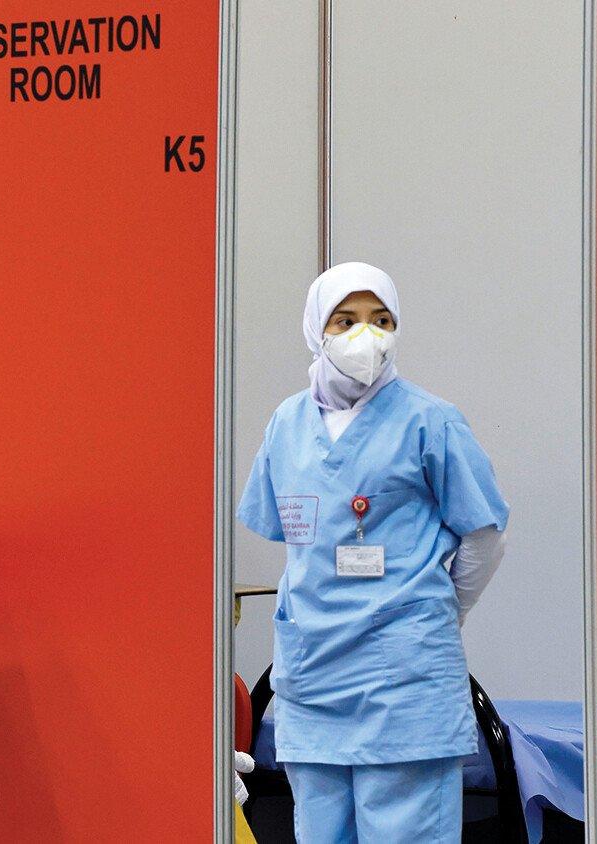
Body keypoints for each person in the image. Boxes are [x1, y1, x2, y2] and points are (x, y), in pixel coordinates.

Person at [237, 263, 509, 843]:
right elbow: (291, 539)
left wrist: (436, 612)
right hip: (314, 675)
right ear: (318, 329)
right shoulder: (287, 424)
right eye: (348, 319)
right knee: (320, 832)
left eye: (381, 320)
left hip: (403, 678)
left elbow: (484, 536)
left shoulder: (429, 420)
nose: (367, 334)